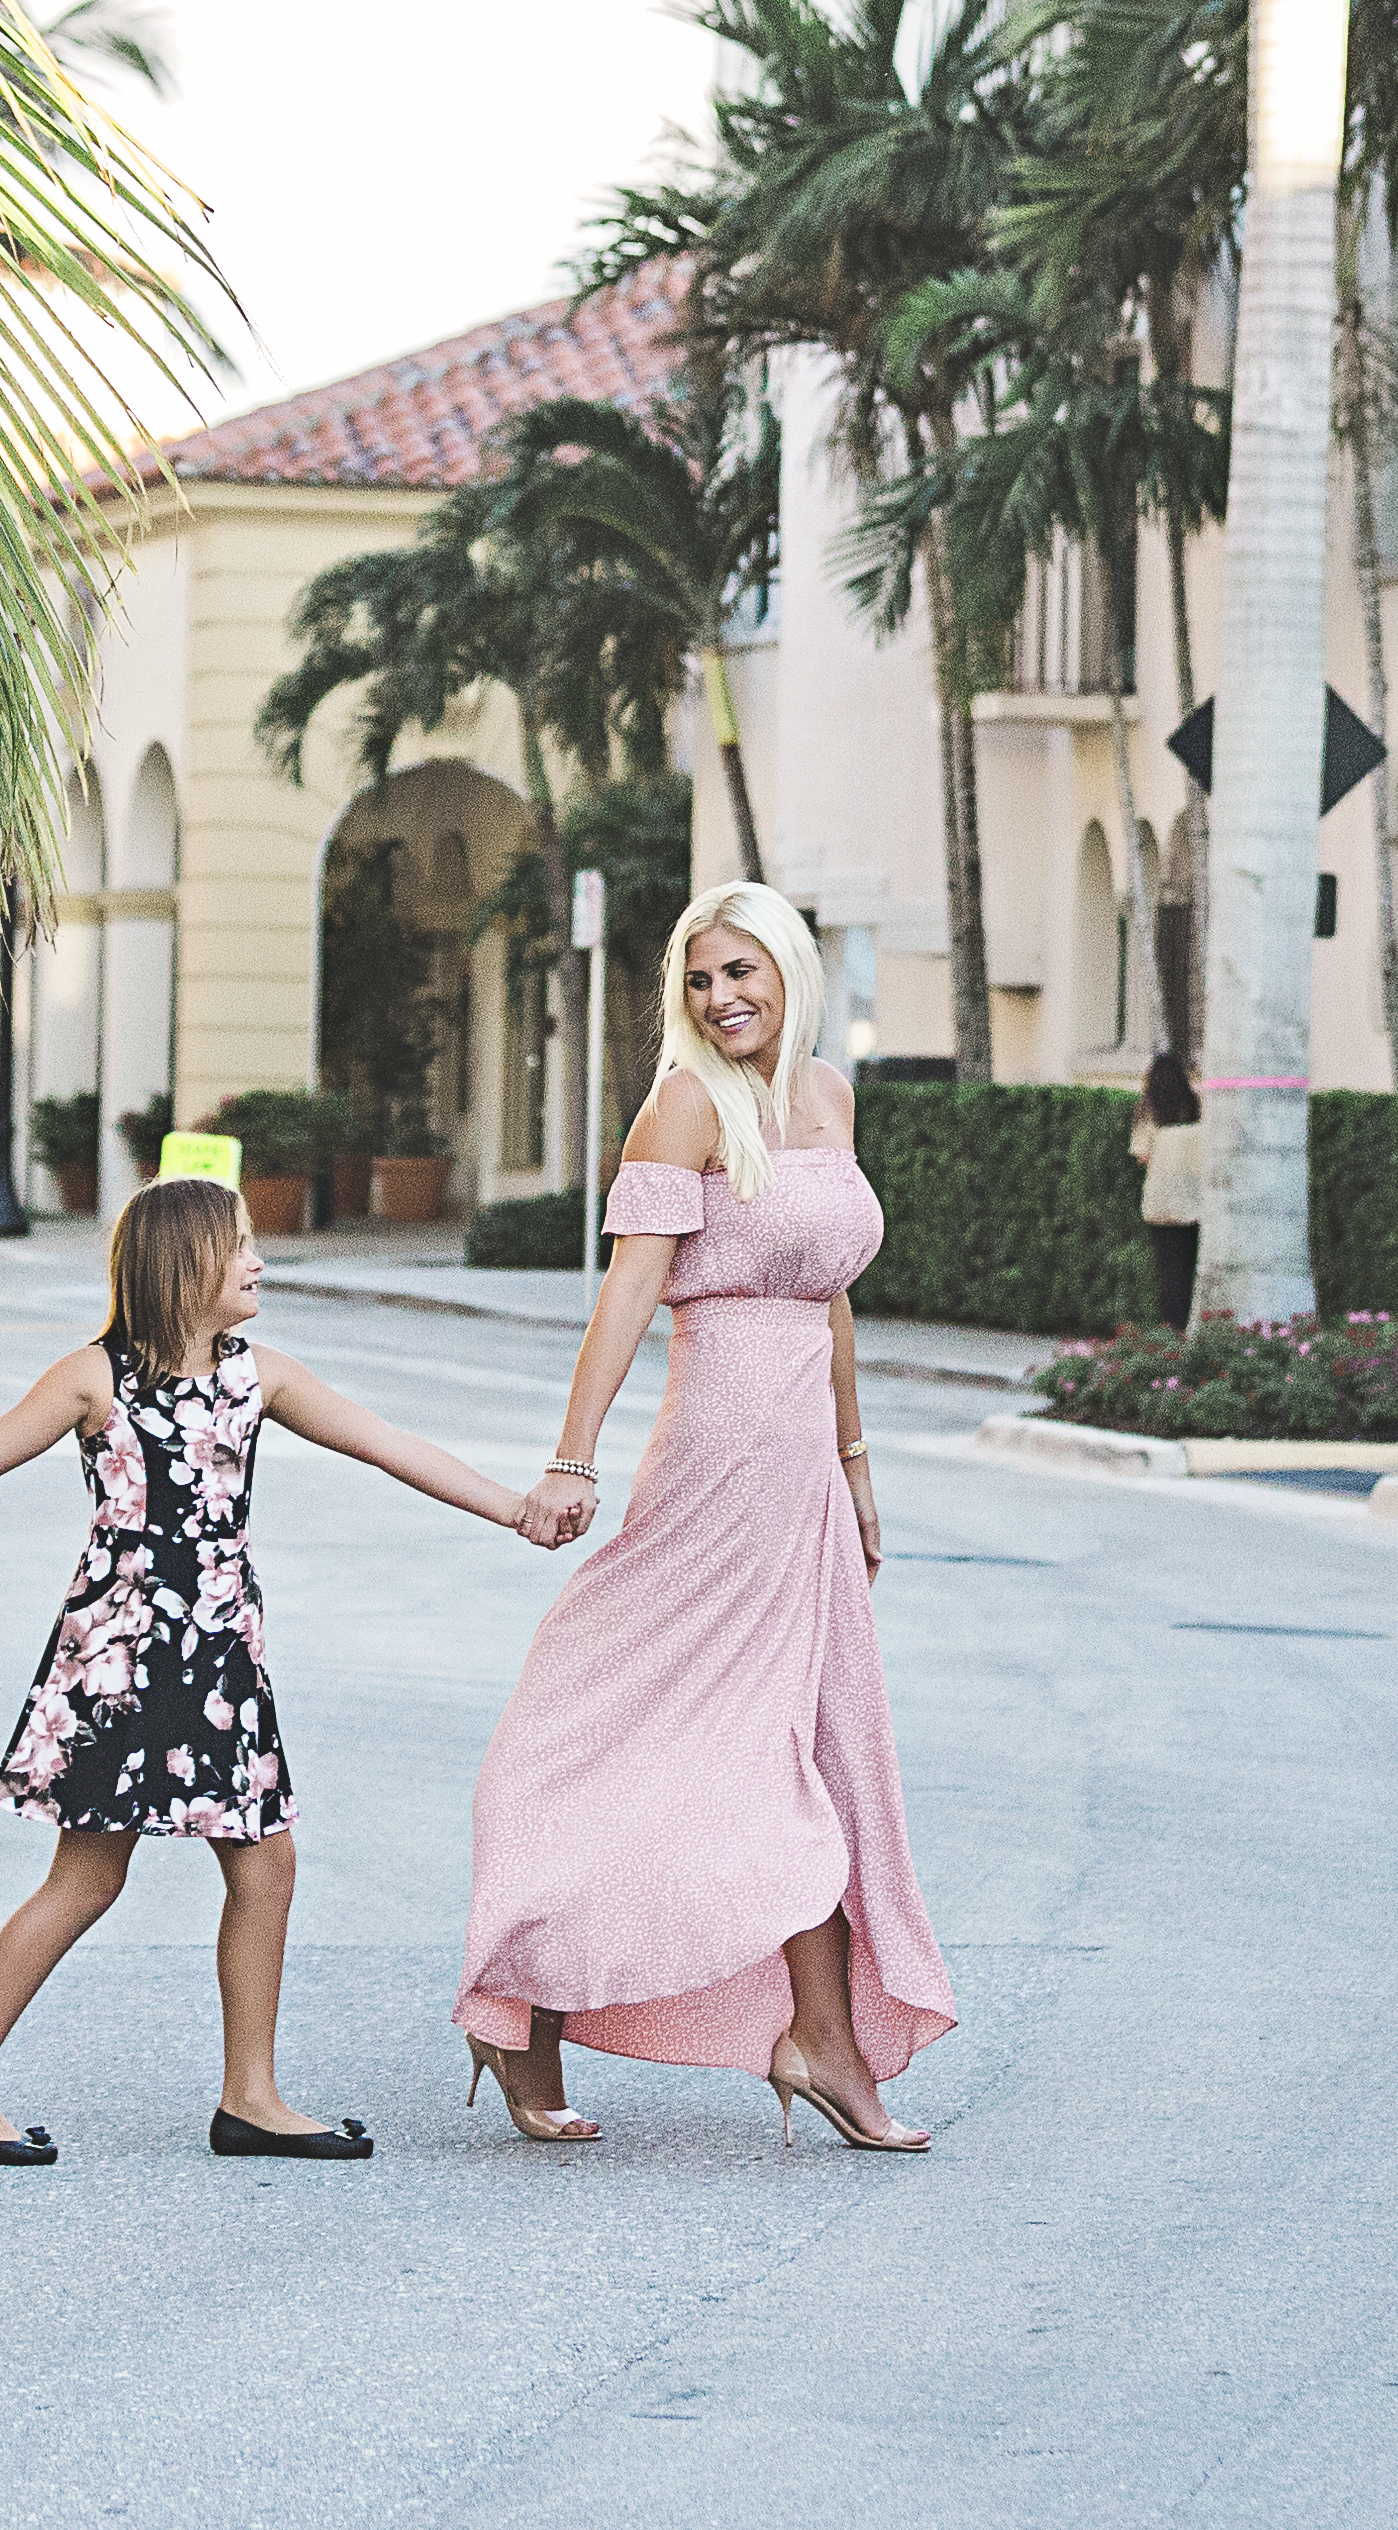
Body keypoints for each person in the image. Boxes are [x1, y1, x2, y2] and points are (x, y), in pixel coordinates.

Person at [0, 1174, 581, 2167]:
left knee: (265, 1864)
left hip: (220, 1655)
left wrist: (513, 1507)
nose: (259, 1263)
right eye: (241, 1247)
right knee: (90, 1877)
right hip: (121, 1659)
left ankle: (250, 2097)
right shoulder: (94, 1379)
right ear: (185, 1265)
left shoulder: (256, 1375)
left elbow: (386, 1445)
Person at [456, 878, 954, 2153]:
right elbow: (626, 1297)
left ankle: (825, 2041)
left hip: (803, 1472)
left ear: (791, 974)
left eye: (744, 973)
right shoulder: (683, 1105)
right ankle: (525, 2006)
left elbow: (832, 1295)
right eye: (701, 978)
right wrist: (572, 1459)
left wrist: (855, 1463)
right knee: (644, 1732)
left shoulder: (831, 1096)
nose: (724, 998)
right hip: (715, 1460)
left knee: (820, 1749)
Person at [1130, 1046, 1206, 1326]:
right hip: (1195, 1203)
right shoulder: (1198, 1107)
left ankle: (1172, 1330)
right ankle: (1191, 1326)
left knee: (1168, 1274)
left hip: (1161, 1204)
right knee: (1191, 1272)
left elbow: (1141, 1155)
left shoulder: (1149, 1111)